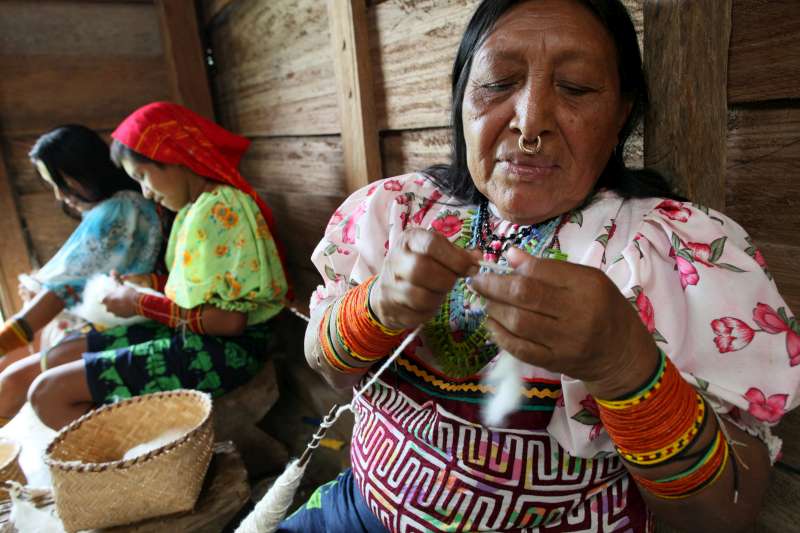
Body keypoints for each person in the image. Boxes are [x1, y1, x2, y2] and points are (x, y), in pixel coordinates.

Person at [286, 1, 800, 531]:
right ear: (463, 96)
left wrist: (624, 366)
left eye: (576, 88)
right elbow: (326, 365)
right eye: (498, 81)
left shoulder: (669, 253)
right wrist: (375, 307)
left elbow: (724, 515)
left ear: (623, 112)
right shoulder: (396, 211)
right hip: (357, 514)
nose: (530, 122)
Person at [25, 102, 290, 430]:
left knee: (48, 393)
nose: (146, 192)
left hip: (229, 349)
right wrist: (148, 281)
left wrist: (138, 303)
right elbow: (201, 287)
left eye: (142, 177)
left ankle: (143, 471)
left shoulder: (220, 210)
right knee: (60, 355)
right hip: (197, 334)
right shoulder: (196, 209)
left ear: (172, 156)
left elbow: (229, 321)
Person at [0, 125, 166, 428]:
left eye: (62, 182)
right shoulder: (115, 207)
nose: (60, 196)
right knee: (13, 364)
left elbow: (60, 289)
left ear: (85, 167)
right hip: (117, 317)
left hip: (136, 321)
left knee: (10, 382)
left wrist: (7, 337)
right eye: (53, 185)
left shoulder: (120, 210)